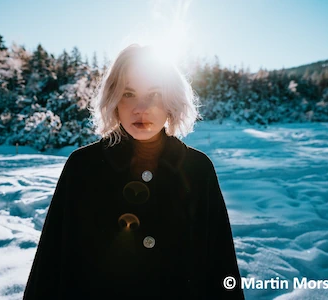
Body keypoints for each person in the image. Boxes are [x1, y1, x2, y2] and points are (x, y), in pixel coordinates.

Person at [23, 44, 245, 299]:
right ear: (114, 99)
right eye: (128, 94)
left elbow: (220, 264)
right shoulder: (82, 167)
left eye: (154, 94)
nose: (141, 108)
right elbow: (51, 265)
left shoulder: (198, 169)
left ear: (171, 101)